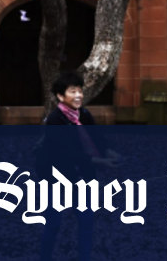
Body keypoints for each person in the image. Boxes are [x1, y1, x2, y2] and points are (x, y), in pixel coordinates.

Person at [38, 72, 119, 261]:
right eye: (72, 91)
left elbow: (98, 140)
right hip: (57, 180)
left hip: (82, 180)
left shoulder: (84, 114)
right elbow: (65, 154)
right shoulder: (55, 120)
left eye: (80, 91)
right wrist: (99, 161)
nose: (78, 95)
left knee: (86, 220)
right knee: (54, 223)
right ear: (60, 96)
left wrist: (111, 154)